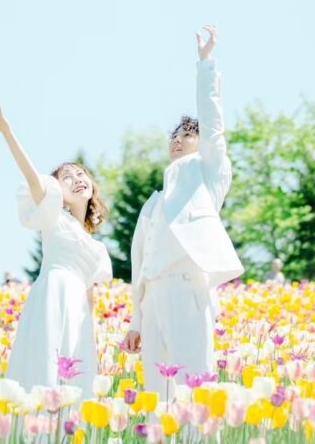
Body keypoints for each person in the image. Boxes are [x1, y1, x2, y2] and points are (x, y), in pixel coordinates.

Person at [122, 25, 244, 395]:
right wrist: (137, 320)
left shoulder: (208, 175)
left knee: (192, 387)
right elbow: (140, 263)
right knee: (156, 394)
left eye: (187, 134)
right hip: (154, 298)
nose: (178, 139)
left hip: (187, 289)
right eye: (174, 135)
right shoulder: (155, 201)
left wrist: (206, 64)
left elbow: (213, 124)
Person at [0, 104, 112, 395]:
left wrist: (93, 343)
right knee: (46, 365)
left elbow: (90, 301)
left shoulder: (96, 247)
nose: (77, 179)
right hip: (54, 293)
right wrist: (7, 132)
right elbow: (32, 177)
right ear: (57, 191)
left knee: (75, 374)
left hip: (78, 310)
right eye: (67, 177)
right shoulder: (55, 218)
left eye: (81, 174)